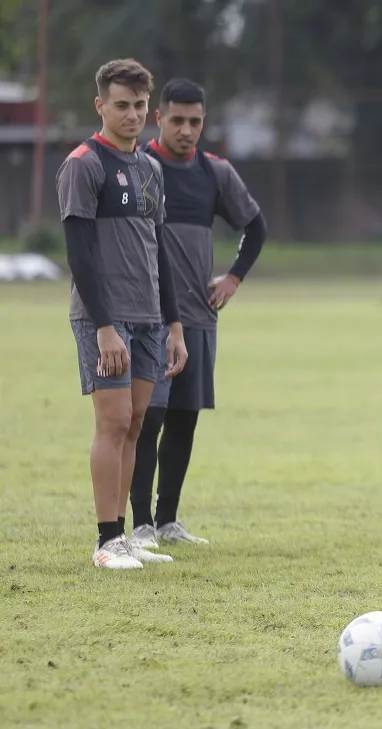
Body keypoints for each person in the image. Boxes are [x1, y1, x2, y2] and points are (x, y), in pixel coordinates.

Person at [56, 58, 187, 569]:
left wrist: (173, 323)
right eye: (120, 106)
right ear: (100, 106)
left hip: (151, 319)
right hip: (103, 320)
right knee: (111, 424)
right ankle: (106, 540)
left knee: (134, 425)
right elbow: (80, 254)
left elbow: (159, 251)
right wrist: (105, 327)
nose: (131, 115)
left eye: (138, 107)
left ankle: (126, 536)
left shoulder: (151, 169)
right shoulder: (83, 164)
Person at [127, 78, 267, 548]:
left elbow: (256, 226)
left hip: (199, 320)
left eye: (196, 121)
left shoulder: (215, 172)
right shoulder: (140, 167)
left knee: (184, 419)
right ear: (158, 118)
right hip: (150, 320)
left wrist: (233, 277)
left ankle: (167, 521)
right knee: (149, 420)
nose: (187, 130)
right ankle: (140, 523)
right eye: (178, 120)